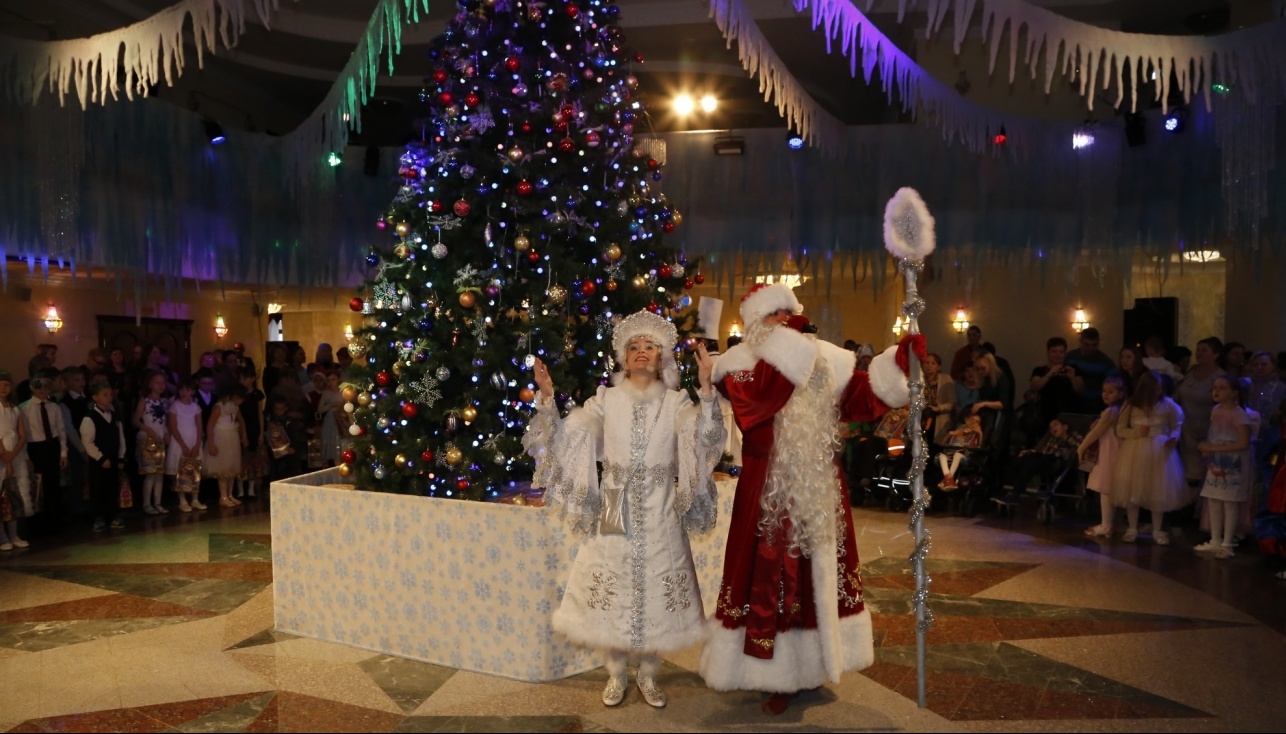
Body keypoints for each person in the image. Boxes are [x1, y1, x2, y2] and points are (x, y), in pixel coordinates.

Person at [701, 282, 916, 715]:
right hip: (765, 488)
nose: (784, 323)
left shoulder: (827, 358)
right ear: (755, 324)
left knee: (819, 580)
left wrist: (899, 361)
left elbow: (863, 398)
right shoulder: (737, 364)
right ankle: (773, 673)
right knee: (762, 578)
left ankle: (813, 665)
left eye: (788, 314)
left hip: (819, 488)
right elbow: (754, 405)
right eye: (773, 317)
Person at [524, 310, 724, 709]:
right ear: (623, 355)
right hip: (615, 507)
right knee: (611, 585)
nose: (640, 352)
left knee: (655, 583)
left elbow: (705, 440)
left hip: (661, 508)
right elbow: (567, 439)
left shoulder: (676, 402)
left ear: (662, 357)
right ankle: (616, 674)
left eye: (649, 346)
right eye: (633, 346)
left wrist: (706, 390)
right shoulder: (606, 400)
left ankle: (649, 674)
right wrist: (547, 397)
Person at [1112, 370, 1187, 545]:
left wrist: (1174, 437)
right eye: (1154, 389)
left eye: (1159, 389)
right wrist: (1136, 432)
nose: (1157, 393)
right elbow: (1120, 429)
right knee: (1133, 490)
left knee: (1158, 490)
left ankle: (1158, 530)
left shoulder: (1168, 404)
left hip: (1159, 449)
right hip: (1135, 450)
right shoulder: (1131, 405)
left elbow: (1177, 424)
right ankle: (1132, 528)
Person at [1194, 375, 1253, 559]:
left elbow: (1243, 443)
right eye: (1215, 387)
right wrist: (1207, 447)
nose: (1216, 391)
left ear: (1234, 392)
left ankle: (1227, 543)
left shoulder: (1239, 414)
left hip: (1232, 463)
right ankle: (1215, 539)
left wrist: (1214, 447)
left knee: (1229, 502)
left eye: (1222, 388)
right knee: (1213, 499)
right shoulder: (1216, 410)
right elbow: (1213, 433)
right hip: (1216, 460)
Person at [1078, 376, 1127, 537]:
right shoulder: (1120, 410)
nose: (1106, 395)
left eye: (1111, 392)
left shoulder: (1111, 412)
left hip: (1110, 452)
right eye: (1104, 391)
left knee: (1105, 487)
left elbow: (1096, 433)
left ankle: (1106, 525)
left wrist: (1082, 448)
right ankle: (1115, 523)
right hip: (1116, 450)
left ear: (1120, 394)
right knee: (1113, 488)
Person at [19, 368, 68, 526]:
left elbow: (61, 431)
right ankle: (37, 522)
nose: (42, 391)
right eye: (38, 387)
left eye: (46, 387)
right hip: (35, 448)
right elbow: (23, 435)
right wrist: (26, 457)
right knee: (36, 485)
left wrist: (63, 453)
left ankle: (54, 519)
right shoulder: (24, 408)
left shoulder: (54, 407)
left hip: (52, 446)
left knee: (53, 484)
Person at [1176, 337, 1227, 487]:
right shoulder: (1190, 372)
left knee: (1206, 467)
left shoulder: (1220, 376)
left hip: (1208, 427)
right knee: (1188, 467)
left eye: (1204, 350)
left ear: (1216, 354)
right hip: (1187, 427)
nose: (1199, 353)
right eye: (1198, 350)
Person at [997, 418, 1084, 505]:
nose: (1052, 428)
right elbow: (1043, 451)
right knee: (1019, 461)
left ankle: (1015, 494)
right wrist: (1031, 452)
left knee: (1030, 465)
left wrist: (1064, 437)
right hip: (1043, 456)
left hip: (1056, 459)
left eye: (1055, 425)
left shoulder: (1073, 435)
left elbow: (1081, 445)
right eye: (1050, 427)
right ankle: (1003, 490)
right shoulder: (1052, 438)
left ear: (1065, 427)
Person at [80, 381, 127, 533]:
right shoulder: (90, 418)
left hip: (113, 458)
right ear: (95, 397)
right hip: (99, 462)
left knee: (112, 487)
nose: (109, 398)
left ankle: (112, 515)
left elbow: (121, 439)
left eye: (110, 395)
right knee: (98, 488)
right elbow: (88, 443)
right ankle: (98, 517)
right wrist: (101, 458)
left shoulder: (114, 416)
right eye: (105, 395)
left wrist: (120, 457)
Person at [0, 371, 32, 550]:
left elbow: (22, 434)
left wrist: (18, 455)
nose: (3, 388)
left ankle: (14, 534)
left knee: (13, 496)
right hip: (2, 456)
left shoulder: (15, 408)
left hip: (15, 454)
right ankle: (2, 537)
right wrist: (7, 460)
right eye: (0, 384)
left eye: (6, 384)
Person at [132, 371, 170, 515]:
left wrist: (167, 434)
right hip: (148, 439)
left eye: (163, 383)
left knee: (159, 473)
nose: (161, 386)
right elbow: (135, 420)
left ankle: (158, 502)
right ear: (150, 384)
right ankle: (147, 503)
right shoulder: (145, 400)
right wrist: (147, 429)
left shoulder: (165, 402)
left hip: (160, 438)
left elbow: (166, 422)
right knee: (150, 472)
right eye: (157, 382)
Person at [166, 379, 206, 512]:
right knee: (181, 471)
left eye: (187, 390)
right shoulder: (175, 406)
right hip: (179, 441)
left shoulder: (195, 407)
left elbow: (200, 427)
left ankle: (195, 499)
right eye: (182, 389)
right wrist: (183, 445)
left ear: (193, 392)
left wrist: (196, 445)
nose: (184, 392)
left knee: (194, 470)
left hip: (193, 440)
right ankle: (182, 500)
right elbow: (173, 426)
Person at [205, 384, 248, 508]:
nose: (241, 402)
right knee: (223, 468)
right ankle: (223, 496)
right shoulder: (219, 407)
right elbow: (210, 425)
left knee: (231, 467)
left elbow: (241, 420)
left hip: (232, 437)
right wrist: (211, 444)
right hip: (221, 438)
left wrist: (244, 435)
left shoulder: (235, 407)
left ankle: (230, 494)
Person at [1029, 337, 1080, 429]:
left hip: (1069, 413)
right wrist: (1049, 374)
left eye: (1061, 352)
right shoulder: (1039, 370)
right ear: (1048, 352)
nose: (1057, 355)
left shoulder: (1073, 369)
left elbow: (1080, 390)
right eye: (1054, 351)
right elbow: (1034, 386)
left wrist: (1072, 378)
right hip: (1046, 413)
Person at [1065, 328, 1116, 412]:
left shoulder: (1105, 362)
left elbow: (1113, 384)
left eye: (1094, 345)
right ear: (1080, 341)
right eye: (1087, 345)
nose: (1090, 348)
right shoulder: (1070, 357)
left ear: (1098, 343)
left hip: (1096, 403)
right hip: (1072, 401)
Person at [236, 368, 265, 499]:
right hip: (241, 427)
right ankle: (241, 489)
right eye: (241, 379)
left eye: (245, 378)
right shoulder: (238, 394)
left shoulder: (257, 394)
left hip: (254, 427)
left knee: (254, 459)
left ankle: (251, 488)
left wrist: (261, 433)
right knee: (241, 459)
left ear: (252, 378)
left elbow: (260, 414)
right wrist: (242, 432)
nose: (243, 381)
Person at [937, 414, 983, 490]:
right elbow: (942, 444)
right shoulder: (959, 429)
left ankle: (946, 480)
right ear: (967, 419)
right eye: (972, 419)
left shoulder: (976, 433)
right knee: (941, 456)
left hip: (963, 453)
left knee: (957, 455)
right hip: (950, 452)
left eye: (977, 421)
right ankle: (949, 480)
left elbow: (980, 446)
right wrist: (949, 434)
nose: (973, 422)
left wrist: (980, 433)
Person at [921, 353, 955, 445]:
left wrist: (939, 408)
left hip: (939, 416)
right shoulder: (919, 379)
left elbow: (952, 401)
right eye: (927, 363)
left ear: (939, 367)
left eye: (933, 363)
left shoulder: (946, 378)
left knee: (936, 447)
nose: (929, 366)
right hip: (922, 416)